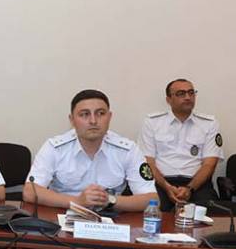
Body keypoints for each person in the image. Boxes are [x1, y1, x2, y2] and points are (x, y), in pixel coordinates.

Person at [24, 89, 158, 212]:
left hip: (110, 219)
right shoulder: (54, 148)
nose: (93, 121)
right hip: (63, 214)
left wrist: (109, 200)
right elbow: (30, 191)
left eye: (100, 113)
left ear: (109, 117)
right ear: (72, 120)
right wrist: (77, 202)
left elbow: (153, 199)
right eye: (84, 114)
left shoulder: (128, 150)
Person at [140, 78, 222, 211]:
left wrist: (189, 188)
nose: (188, 97)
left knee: (211, 212)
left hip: (196, 184)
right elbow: (148, 162)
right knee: (148, 209)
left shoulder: (209, 124)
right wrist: (167, 187)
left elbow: (209, 164)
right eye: (181, 94)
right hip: (160, 182)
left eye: (191, 93)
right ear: (168, 99)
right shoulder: (152, 122)